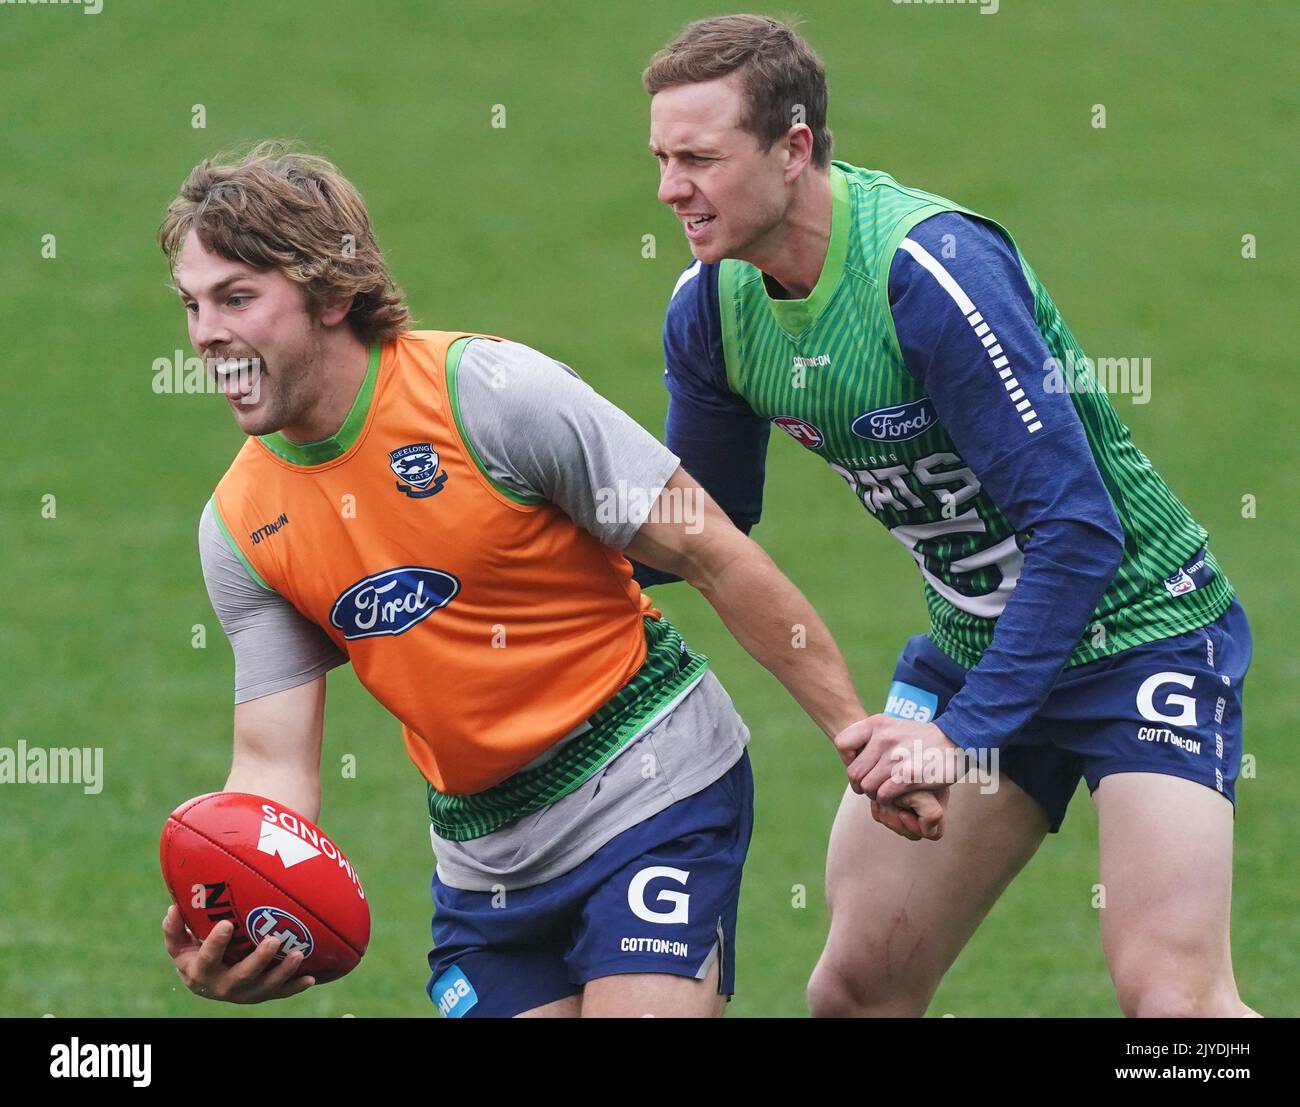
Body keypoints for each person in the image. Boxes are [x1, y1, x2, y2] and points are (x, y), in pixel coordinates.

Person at [155, 142, 945, 1019]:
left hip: (654, 781)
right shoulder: (238, 524)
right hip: (486, 857)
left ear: (334, 293)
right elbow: (272, 761)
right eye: (192, 305)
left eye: (237, 298)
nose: (205, 334)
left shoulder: (490, 397)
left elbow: (710, 549)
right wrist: (239, 907)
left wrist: (853, 734)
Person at [639, 14, 1256, 1018]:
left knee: (1174, 1003)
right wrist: (506, 541)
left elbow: (1077, 529)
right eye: (663, 158)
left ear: (792, 149)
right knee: (855, 990)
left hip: (1143, 639)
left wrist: (959, 736)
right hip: (976, 645)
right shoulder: (712, 307)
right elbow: (705, 522)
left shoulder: (926, 275)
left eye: (699, 158)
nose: (670, 188)